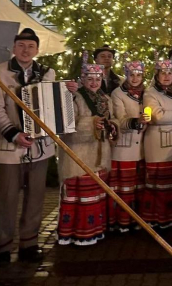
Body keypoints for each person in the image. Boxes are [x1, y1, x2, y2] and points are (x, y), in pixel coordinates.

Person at [0, 28, 78, 266]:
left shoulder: (48, 73)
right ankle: (3, 247)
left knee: (36, 197)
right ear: (14, 47)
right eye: (21, 45)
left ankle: (29, 243)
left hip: (41, 147)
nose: (26, 50)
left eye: (30, 46)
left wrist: (69, 93)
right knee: (7, 198)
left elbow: (53, 105)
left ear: (37, 50)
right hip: (12, 147)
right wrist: (13, 133)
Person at [58, 56, 117, 246]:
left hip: (100, 153)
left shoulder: (105, 99)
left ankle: (95, 230)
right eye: (90, 79)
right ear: (82, 79)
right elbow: (67, 126)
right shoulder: (74, 97)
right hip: (78, 155)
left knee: (95, 196)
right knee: (79, 197)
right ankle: (75, 234)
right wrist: (91, 123)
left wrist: (113, 126)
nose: (94, 83)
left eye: (97, 79)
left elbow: (114, 119)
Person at [143, 59, 172, 228]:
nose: (166, 76)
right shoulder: (150, 93)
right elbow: (157, 116)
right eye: (163, 73)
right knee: (159, 186)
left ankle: (171, 219)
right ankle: (157, 220)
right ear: (156, 75)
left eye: (169, 73)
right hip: (160, 147)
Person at [110, 58, 147, 233]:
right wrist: (135, 121)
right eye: (131, 75)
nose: (135, 78)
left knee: (138, 188)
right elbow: (119, 118)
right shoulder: (118, 93)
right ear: (126, 75)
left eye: (138, 75)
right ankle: (122, 222)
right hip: (125, 147)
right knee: (124, 188)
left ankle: (137, 220)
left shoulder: (146, 93)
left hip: (142, 148)